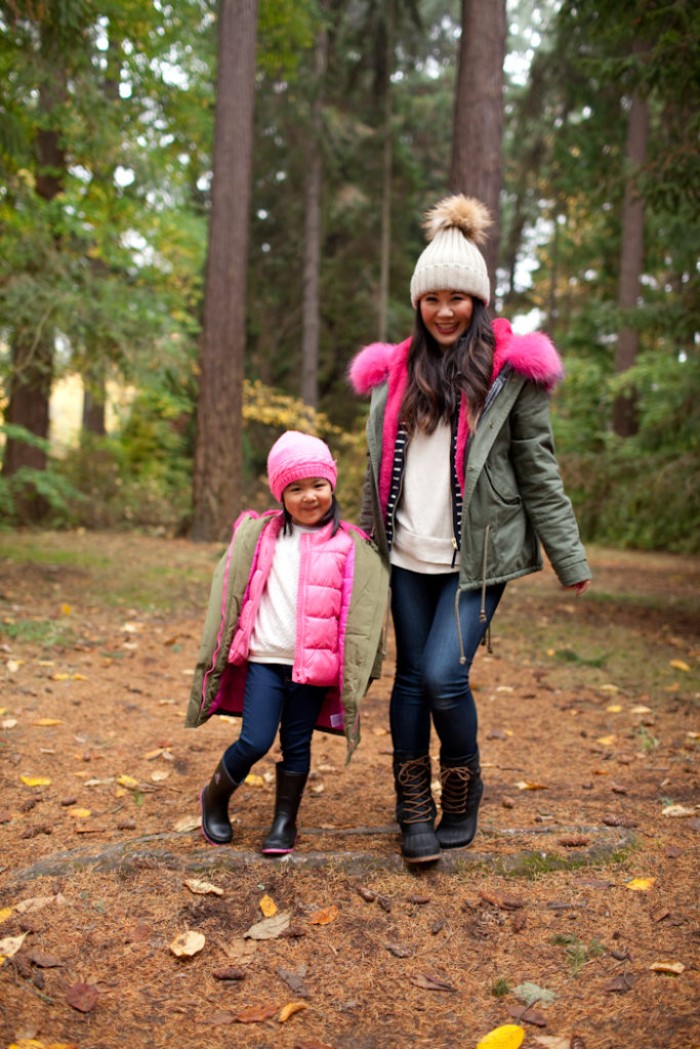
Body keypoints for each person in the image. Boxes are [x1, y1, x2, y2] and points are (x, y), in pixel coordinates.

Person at [349, 194, 591, 865]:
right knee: (407, 680)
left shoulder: (511, 376)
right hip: (404, 552)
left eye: (459, 297)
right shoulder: (393, 374)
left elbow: (538, 470)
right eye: (433, 298)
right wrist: (365, 551)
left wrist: (568, 556)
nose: (446, 310)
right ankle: (412, 805)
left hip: (477, 558)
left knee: (442, 679)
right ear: (418, 304)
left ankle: (463, 788)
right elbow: (374, 473)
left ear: (478, 302)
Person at [185, 430, 389, 856]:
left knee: (297, 744)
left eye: (317, 485)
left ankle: (284, 821)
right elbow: (232, 590)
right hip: (265, 660)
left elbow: (361, 611)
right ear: (281, 494)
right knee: (256, 740)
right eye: (295, 488)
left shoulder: (350, 545)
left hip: (313, 668)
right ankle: (215, 797)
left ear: (332, 485)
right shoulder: (261, 537)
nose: (309, 496)